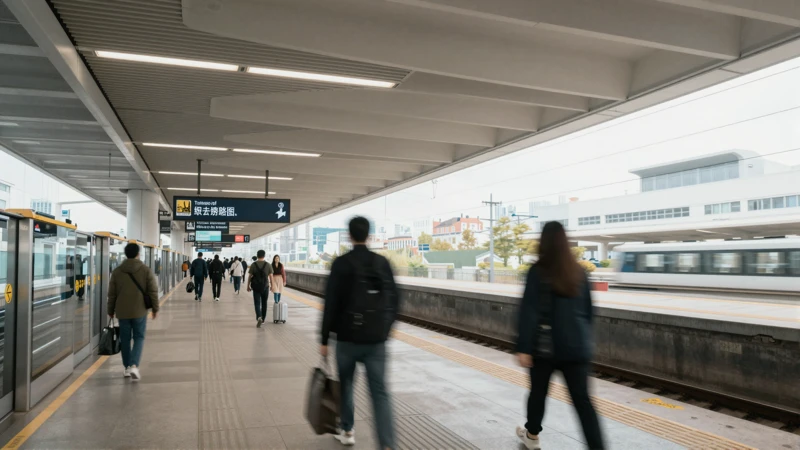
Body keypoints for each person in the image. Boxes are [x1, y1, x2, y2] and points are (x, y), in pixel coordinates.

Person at [515, 221, 604, 450]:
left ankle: (532, 436)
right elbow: (589, 311)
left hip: (545, 348)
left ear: (543, 242)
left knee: (538, 394)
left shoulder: (538, 271)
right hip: (577, 348)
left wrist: (524, 346)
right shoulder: (579, 272)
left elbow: (529, 311)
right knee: (583, 403)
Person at [320, 217, 399, 449]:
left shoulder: (341, 263)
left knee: (346, 386)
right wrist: (386, 329)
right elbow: (396, 299)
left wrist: (324, 339)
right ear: (369, 236)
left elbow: (330, 303)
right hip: (376, 341)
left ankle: (347, 430)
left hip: (346, 340)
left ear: (350, 236)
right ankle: (387, 444)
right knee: (380, 393)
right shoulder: (382, 263)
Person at [107, 243, 159, 381]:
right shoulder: (145, 270)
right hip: (139, 310)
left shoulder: (117, 271)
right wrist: (155, 308)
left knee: (125, 339)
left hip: (122, 312)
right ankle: (134, 365)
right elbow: (153, 290)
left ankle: (126, 368)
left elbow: (112, 294)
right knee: (139, 337)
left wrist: (110, 310)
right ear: (138, 254)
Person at [247, 250, 273, 327]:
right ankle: (263, 319)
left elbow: (249, 276)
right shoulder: (268, 265)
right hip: (265, 286)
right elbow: (271, 276)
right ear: (264, 255)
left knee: (257, 303)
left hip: (255, 287)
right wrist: (272, 286)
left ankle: (259, 317)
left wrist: (248, 285)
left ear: (257, 255)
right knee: (264, 303)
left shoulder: (253, 265)